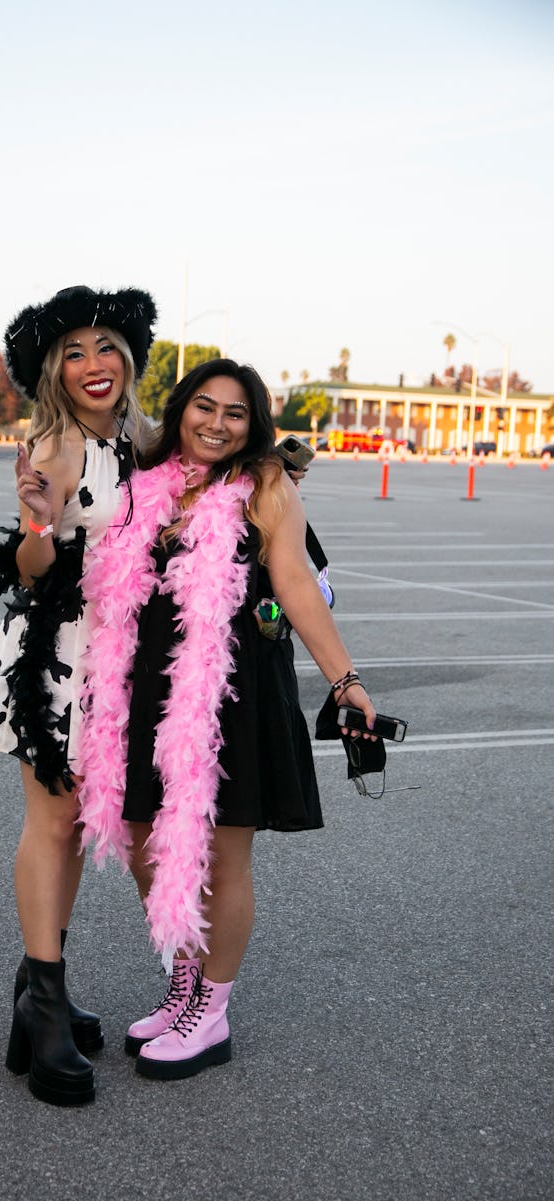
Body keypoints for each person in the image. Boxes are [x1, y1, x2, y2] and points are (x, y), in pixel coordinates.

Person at [77, 358, 377, 1081]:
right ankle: (182, 982)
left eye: (234, 413)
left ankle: (211, 1011)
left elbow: (297, 587)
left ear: (254, 425)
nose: (216, 423)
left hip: (231, 695)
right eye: (203, 407)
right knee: (149, 838)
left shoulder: (266, 487)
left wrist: (346, 681)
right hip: (148, 689)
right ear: (181, 411)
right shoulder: (149, 485)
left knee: (222, 854)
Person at [0, 285, 157, 1106]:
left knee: (79, 824)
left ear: (128, 358)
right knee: (52, 822)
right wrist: (38, 520)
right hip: (58, 653)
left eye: (106, 346)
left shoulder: (139, 440)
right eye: (73, 352)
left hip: (119, 657)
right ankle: (43, 1010)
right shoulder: (57, 443)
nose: (92, 364)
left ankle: (36, 995)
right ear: (54, 371)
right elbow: (31, 572)